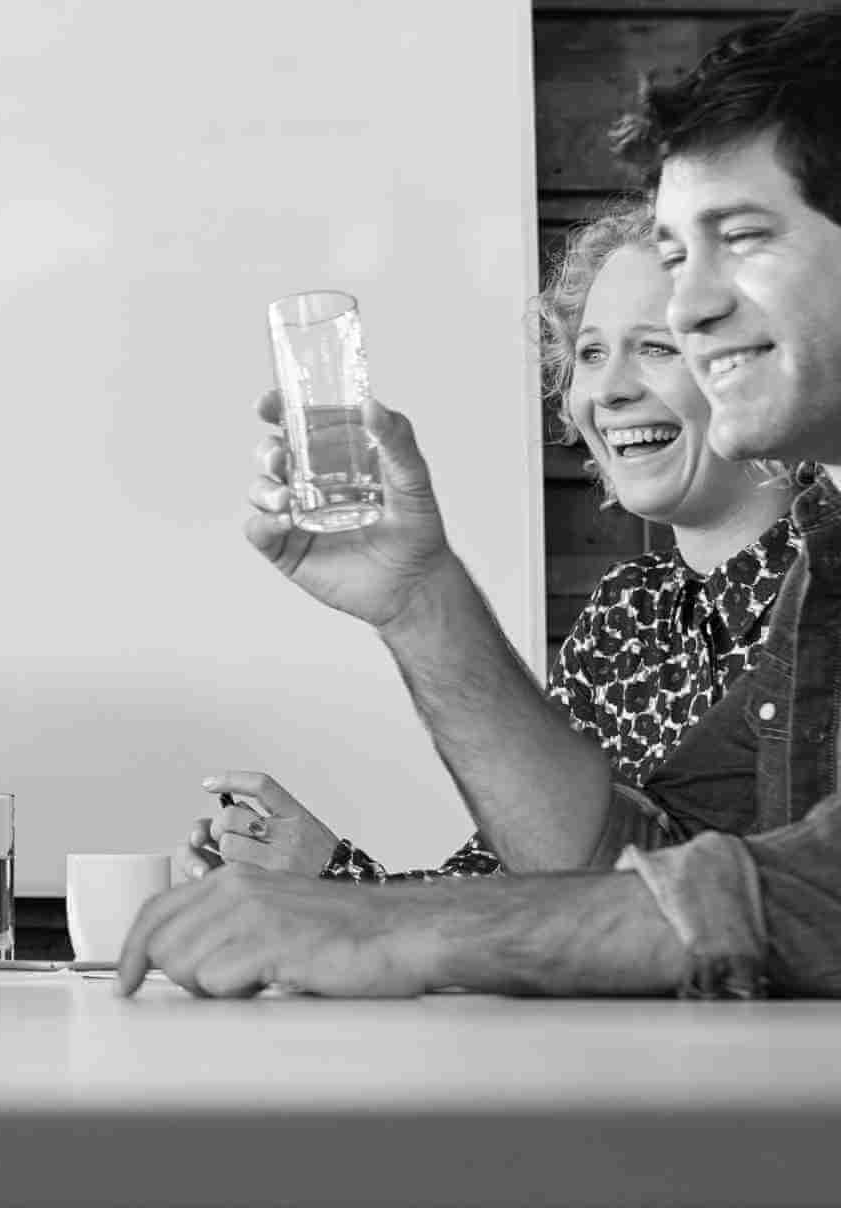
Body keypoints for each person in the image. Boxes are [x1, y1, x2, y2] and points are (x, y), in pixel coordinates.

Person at [121, 8, 841, 999]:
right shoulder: (815, 569)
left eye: (744, 238)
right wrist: (420, 598)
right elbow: (631, 866)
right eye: (677, 256)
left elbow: (797, 892)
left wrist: (392, 924)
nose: (690, 307)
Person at [187, 203, 806, 883]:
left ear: (753, 366)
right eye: (591, 353)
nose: (608, 390)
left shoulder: (822, 597)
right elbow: (519, 886)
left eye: (656, 347)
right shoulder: (629, 611)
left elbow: (696, 905)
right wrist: (328, 879)